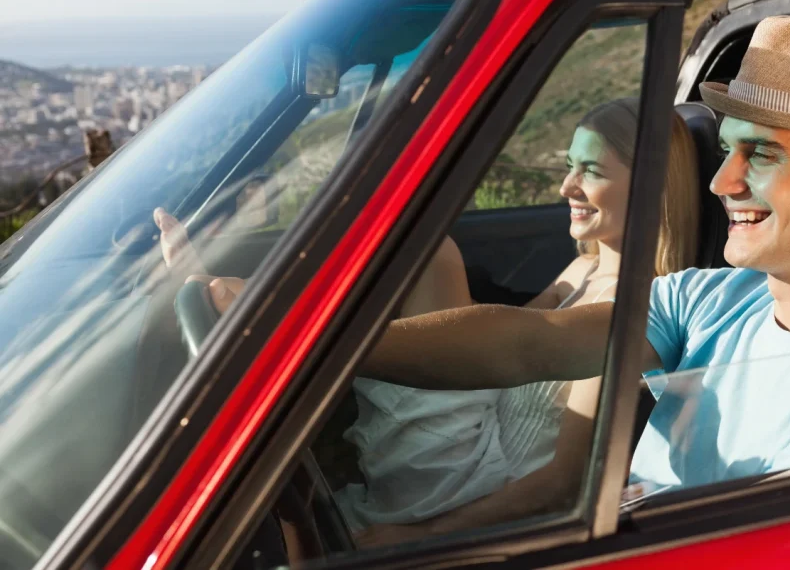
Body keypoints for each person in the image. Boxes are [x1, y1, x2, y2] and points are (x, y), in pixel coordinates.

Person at [355, 15, 790, 497]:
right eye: (726, 152)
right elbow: (528, 342)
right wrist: (314, 351)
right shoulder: (711, 298)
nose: (720, 183)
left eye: (759, 153)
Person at [154, 97, 702, 531]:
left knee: (431, 252)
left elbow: (561, 483)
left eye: (590, 171)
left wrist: (419, 540)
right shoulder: (583, 268)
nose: (566, 187)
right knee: (424, 253)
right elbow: (495, 329)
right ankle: (256, 310)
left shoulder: (632, 309)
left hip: (478, 474)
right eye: (567, 167)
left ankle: (257, 313)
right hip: (478, 419)